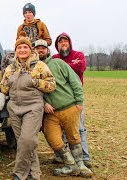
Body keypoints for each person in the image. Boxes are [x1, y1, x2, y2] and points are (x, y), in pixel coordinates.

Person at [33, 39, 93, 177]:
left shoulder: (58, 63)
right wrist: (43, 103)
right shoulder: (34, 69)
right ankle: (70, 164)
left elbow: (74, 81)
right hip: (50, 113)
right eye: (37, 49)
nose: (40, 50)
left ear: (47, 50)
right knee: (52, 137)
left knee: (74, 137)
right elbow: (32, 91)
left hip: (69, 107)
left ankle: (81, 164)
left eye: (43, 48)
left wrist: (79, 101)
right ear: (34, 52)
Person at [0, 37, 55, 180]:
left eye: (25, 47)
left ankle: (19, 173)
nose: (22, 50)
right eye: (19, 48)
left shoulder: (40, 66)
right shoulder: (10, 68)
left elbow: (51, 85)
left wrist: (33, 81)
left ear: (30, 49)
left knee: (27, 140)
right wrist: (7, 84)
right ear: (16, 50)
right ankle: (34, 174)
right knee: (24, 143)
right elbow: (3, 87)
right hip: (14, 107)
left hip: (33, 107)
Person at [52, 33, 91, 168]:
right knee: (62, 128)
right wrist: (71, 65)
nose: (63, 43)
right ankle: (64, 157)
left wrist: (63, 66)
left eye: (65, 41)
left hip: (75, 97)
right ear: (57, 45)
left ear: (70, 43)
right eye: (60, 42)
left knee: (79, 128)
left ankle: (85, 158)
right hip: (61, 99)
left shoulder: (78, 55)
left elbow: (81, 67)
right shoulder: (54, 58)